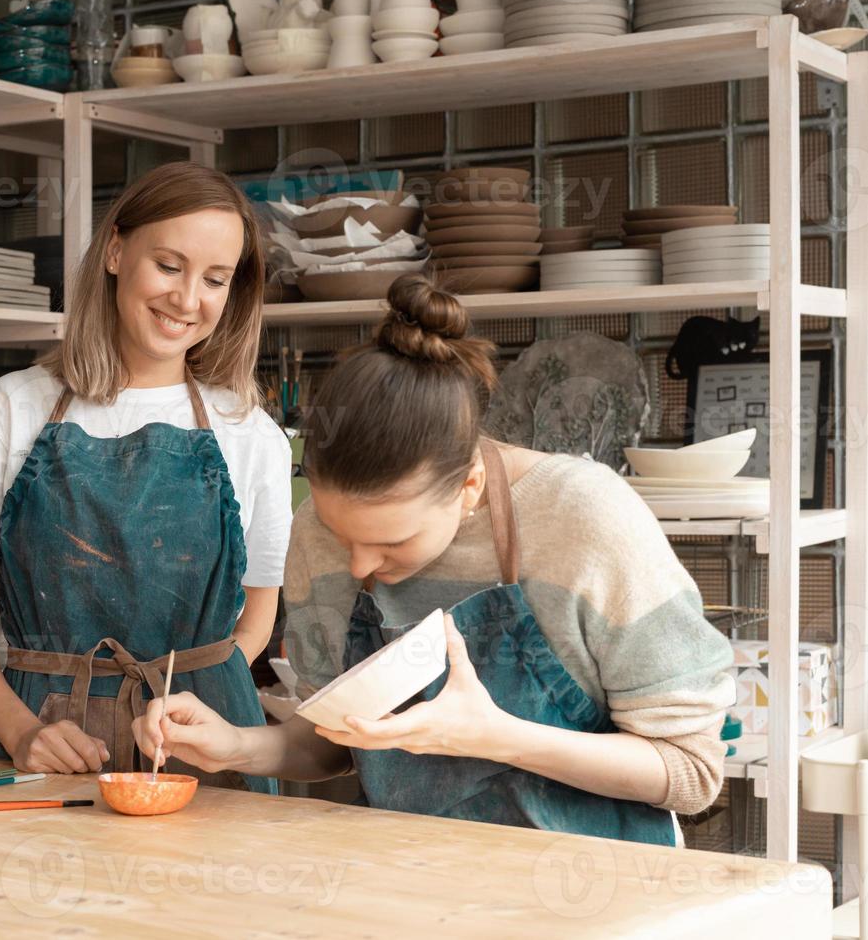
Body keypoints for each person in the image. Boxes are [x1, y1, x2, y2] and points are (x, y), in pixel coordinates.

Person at [133, 274, 735, 843]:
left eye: (392, 544)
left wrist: (497, 738)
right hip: (412, 886)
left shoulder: (585, 520)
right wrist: (237, 745)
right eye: (344, 537)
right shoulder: (313, 532)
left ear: (469, 486)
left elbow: (691, 772)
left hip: (593, 891)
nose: (361, 566)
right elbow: (336, 740)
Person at [0, 162, 291, 792]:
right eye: (169, 265)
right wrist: (21, 731)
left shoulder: (250, 431)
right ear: (117, 250)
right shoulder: (13, 407)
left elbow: (257, 619)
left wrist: (194, 701)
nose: (187, 299)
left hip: (201, 751)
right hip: (50, 749)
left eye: (214, 279)